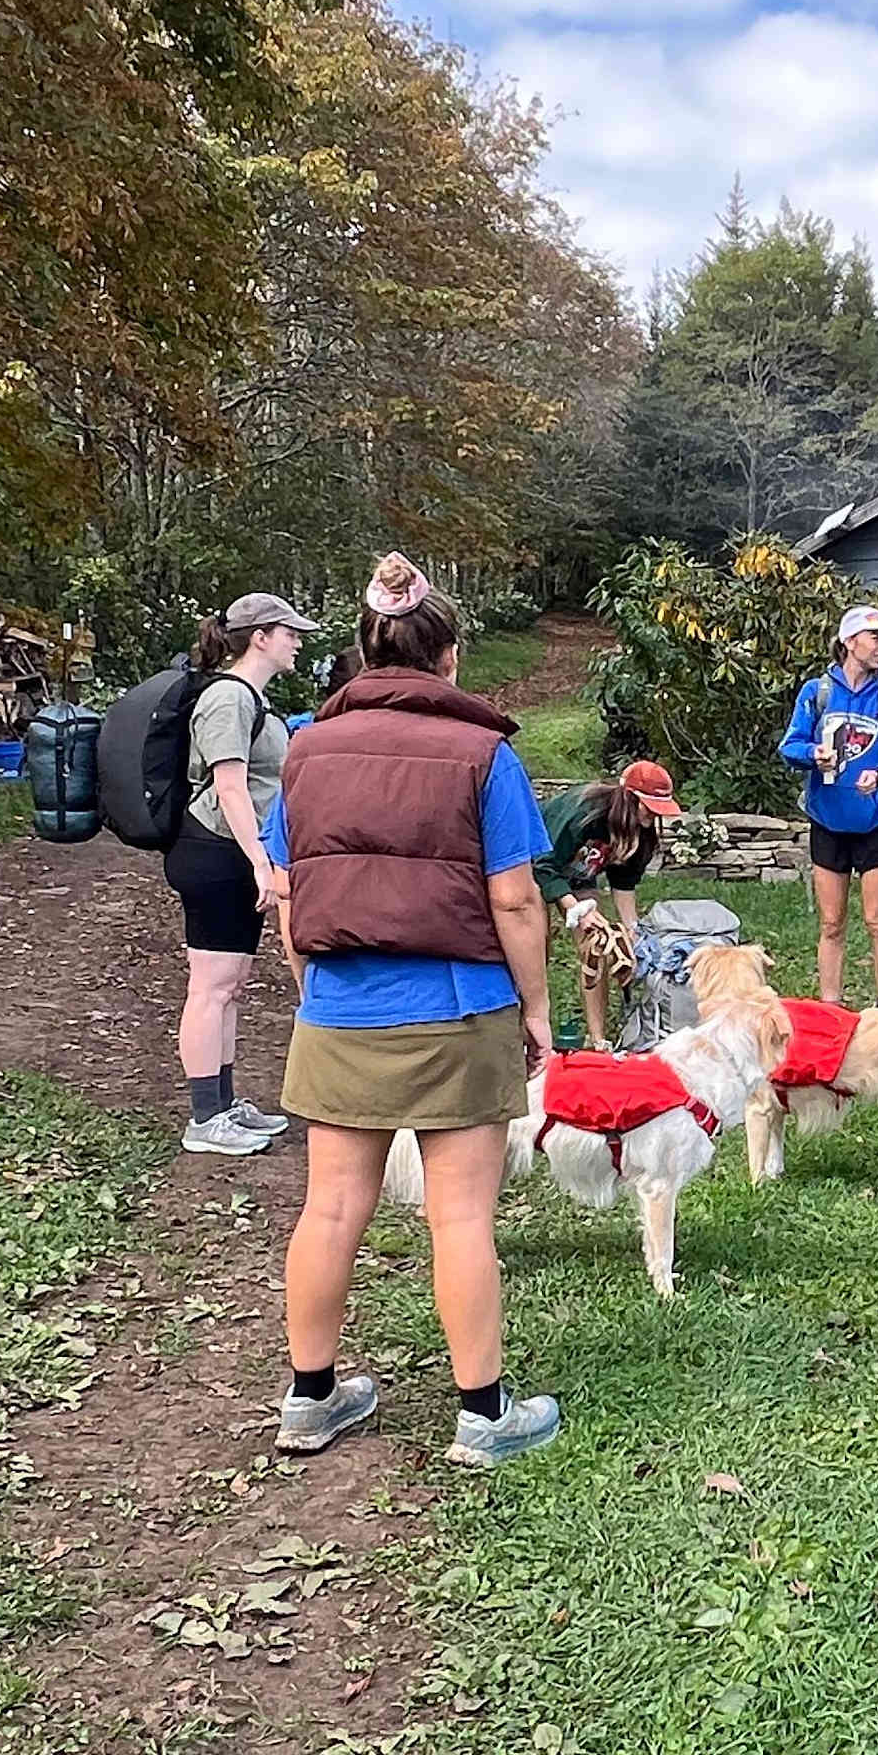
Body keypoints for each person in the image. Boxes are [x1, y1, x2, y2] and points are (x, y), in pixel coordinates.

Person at [259, 554, 562, 1468]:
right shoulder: (485, 755)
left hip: (341, 1008)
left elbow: (288, 890)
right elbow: (514, 899)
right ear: (451, 658)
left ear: (363, 650)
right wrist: (539, 1007)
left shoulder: (306, 749)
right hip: (459, 1008)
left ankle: (311, 1399)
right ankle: (482, 1414)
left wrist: (312, 981)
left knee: (330, 1206)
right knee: (460, 1215)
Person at [166, 590, 309, 1155]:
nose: (297, 642)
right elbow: (229, 786)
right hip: (217, 853)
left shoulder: (250, 698)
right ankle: (205, 1118)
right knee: (210, 987)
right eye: (290, 632)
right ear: (261, 637)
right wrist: (261, 863)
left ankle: (223, 1104)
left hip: (232, 853)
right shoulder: (228, 698)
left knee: (230, 986)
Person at [780, 606, 878, 1006]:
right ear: (849, 642)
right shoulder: (817, 693)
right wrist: (814, 753)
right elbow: (789, 747)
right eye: (876, 638)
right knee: (830, 923)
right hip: (828, 821)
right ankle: (830, 1009)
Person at [533, 759, 682, 1049]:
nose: (654, 815)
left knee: (598, 944)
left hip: (579, 874)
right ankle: (532, 1029)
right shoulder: (584, 813)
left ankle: (598, 1038)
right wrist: (573, 909)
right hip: (535, 866)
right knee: (537, 945)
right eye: (649, 806)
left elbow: (623, 884)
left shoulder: (642, 831)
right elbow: (542, 863)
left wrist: (632, 932)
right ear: (629, 798)